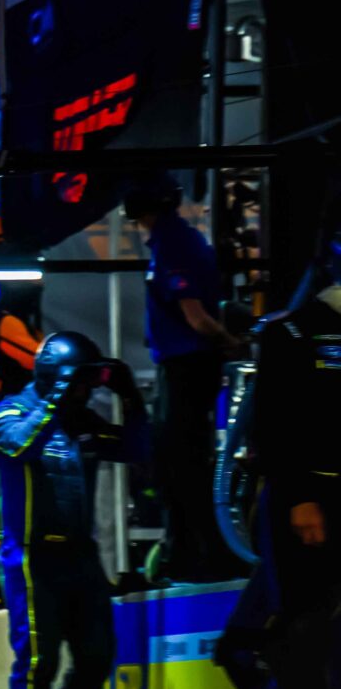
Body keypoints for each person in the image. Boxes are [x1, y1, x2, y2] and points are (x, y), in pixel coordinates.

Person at [0, 331, 146, 689]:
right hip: (32, 557)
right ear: (55, 379)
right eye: (79, 384)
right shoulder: (9, 413)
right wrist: (57, 397)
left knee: (97, 655)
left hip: (80, 555)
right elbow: (20, 446)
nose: (85, 394)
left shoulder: (82, 420)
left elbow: (136, 450)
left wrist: (131, 397)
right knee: (39, 660)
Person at [223, 222, 341, 689]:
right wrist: (299, 496)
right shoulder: (293, 334)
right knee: (299, 633)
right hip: (304, 504)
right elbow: (276, 429)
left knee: (316, 634)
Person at [123, 175, 249, 582]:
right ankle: (191, 552)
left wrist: (230, 343)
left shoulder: (175, 244)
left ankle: (201, 556)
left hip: (187, 367)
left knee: (180, 464)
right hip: (183, 365)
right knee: (174, 461)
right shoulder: (174, 241)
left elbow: (196, 318)